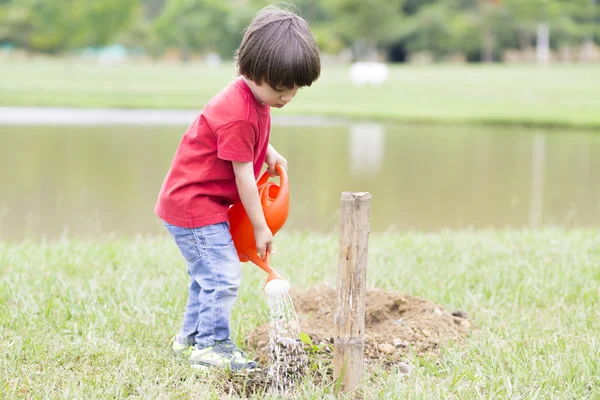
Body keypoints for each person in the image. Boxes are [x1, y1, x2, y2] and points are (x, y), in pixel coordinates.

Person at [154, 5, 320, 371]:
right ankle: (212, 346)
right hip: (193, 205)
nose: (288, 97)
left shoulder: (254, 97)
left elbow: (249, 145)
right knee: (223, 275)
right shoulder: (239, 113)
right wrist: (261, 226)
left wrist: (269, 152)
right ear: (254, 70)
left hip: (196, 202)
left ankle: (191, 340)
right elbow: (244, 175)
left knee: (207, 277)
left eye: (295, 89)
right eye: (281, 88)